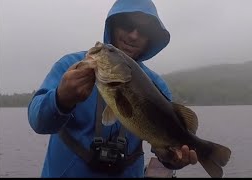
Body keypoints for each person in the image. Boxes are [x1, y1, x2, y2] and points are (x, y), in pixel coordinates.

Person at [28, 0, 197, 178]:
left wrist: (172, 158)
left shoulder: (156, 85)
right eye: (127, 25)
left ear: (151, 38)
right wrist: (60, 99)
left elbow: (165, 149)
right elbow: (38, 121)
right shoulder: (71, 66)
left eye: (145, 31)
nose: (133, 35)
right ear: (113, 26)